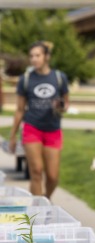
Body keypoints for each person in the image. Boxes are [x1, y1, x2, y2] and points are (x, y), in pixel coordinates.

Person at [9, 41, 69, 199]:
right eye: (31, 56)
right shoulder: (26, 79)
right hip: (32, 129)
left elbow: (66, 104)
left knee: (53, 177)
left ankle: (46, 199)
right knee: (36, 171)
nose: (34, 59)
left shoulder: (59, 78)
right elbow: (20, 110)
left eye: (38, 55)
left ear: (47, 57)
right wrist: (13, 136)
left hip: (53, 130)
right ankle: (38, 211)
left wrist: (60, 106)